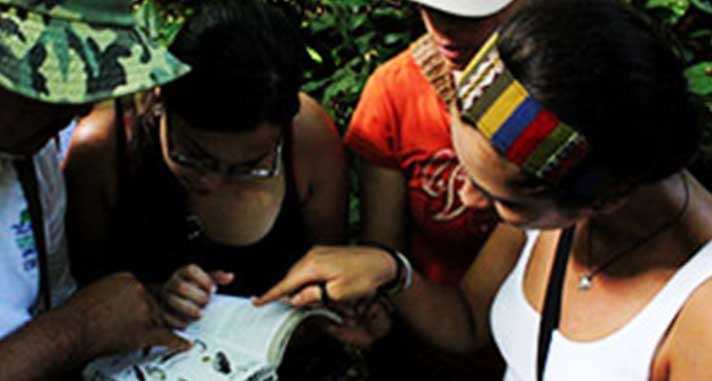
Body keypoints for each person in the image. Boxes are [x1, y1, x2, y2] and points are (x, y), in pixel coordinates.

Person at [257, 0, 712, 379]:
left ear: (608, 197)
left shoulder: (698, 313)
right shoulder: (559, 197)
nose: (471, 201)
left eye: (504, 200)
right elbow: (469, 320)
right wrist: (394, 273)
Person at [0, 1, 192, 380]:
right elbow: (68, 326)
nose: (78, 110)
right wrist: (76, 331)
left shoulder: (24, 140)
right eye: (50, 82)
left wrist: (145, 307)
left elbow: (55, 303)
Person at [64, 0, 347, 327]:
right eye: (194, 156)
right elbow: (78, 298)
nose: (213, 183)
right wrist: (152, 299)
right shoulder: (105, 150)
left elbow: (329, 274)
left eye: (250, 167)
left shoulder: (309, 140)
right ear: (159, 99)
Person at [341, 0, 521, 378]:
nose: (442, 30)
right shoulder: (394, 93)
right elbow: (384, 246)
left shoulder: (561, 91)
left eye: (468, 17)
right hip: (434, 348)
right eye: (430, 9)